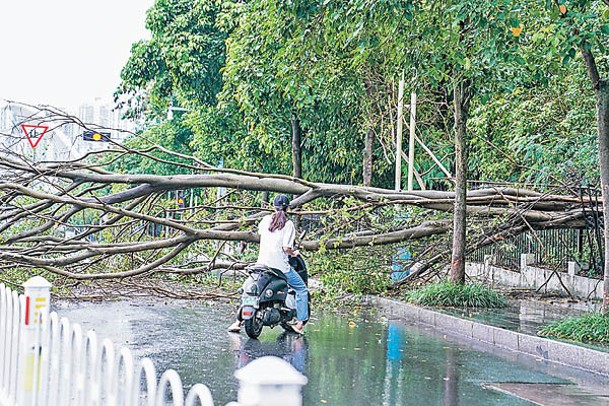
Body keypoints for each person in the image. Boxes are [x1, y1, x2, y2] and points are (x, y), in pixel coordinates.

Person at [228, 194, 309, 334]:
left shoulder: (265, 220)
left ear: (273, 207)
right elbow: (286, 248)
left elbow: (262, 235)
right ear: (287, 208)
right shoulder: (288, 224)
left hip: (261, 265)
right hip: (280, 268)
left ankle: (237, 322)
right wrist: (294, 253)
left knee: (250, 288)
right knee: (302, 289)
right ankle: (300, 324)